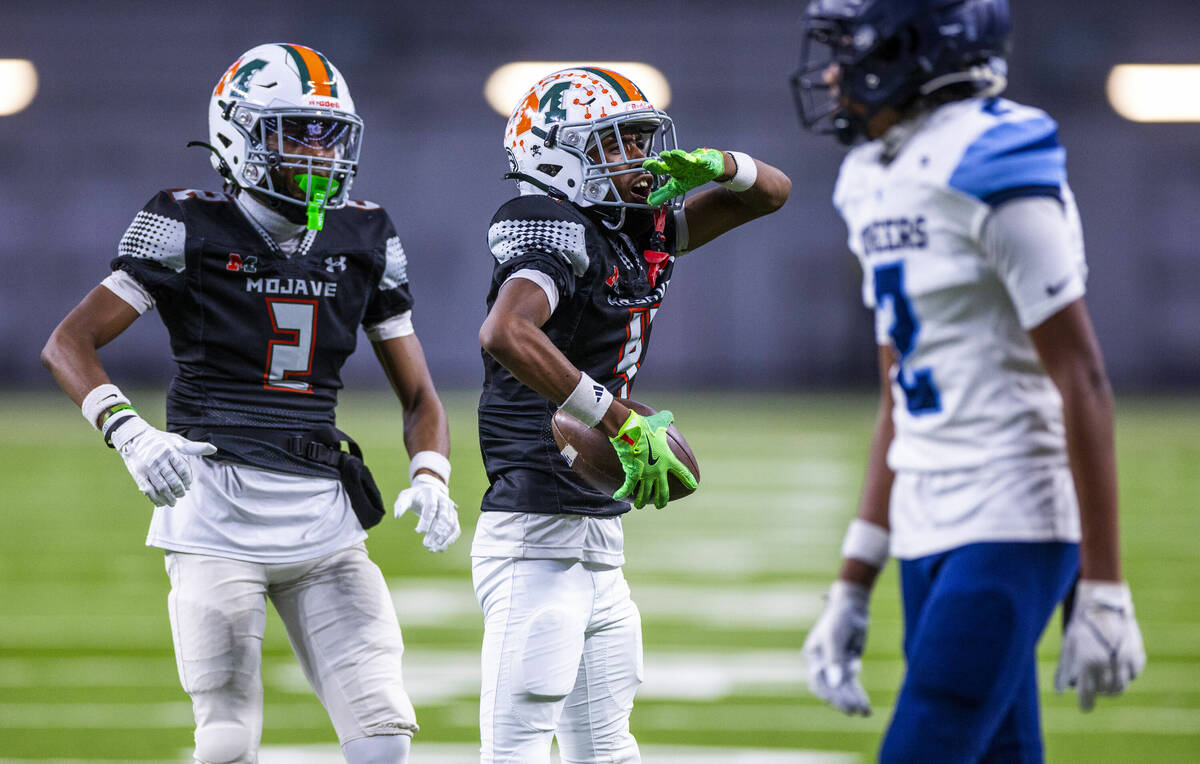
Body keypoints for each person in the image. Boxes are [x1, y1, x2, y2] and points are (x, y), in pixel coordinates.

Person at [40, 43, 459, 764]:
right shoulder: (182, 222)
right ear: (236, 134)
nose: (318, 153)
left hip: (325, 518)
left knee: (385, 739)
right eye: (296, 131)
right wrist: (130, 434)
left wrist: (431, 473)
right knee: (228, 741)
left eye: (329, 134)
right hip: (212, 508)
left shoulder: (366, 233)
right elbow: (68, 343)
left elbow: (419, 392)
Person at [792, 1, 1146, 761]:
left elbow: (1082, 378)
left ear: (913, 50)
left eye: (849, 48)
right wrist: (855, 578)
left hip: (1012, 509)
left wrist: (1105, 584)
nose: (831, 72)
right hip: (924, 512)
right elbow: (900, 392)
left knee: (927, 742)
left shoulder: (992, 159)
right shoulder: (868, 176)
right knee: (1002, 753)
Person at [472, 66, 790, 762]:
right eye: (616, 144)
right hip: (532, 532)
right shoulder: (548, 222)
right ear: (555, 153)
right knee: (518, 749)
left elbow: (771, 193)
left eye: (642, 141)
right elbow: (506, 332)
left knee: (608, 749)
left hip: (596, 535)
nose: (640, 161)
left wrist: (721, 164)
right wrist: (613, 418)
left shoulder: (634, 229)